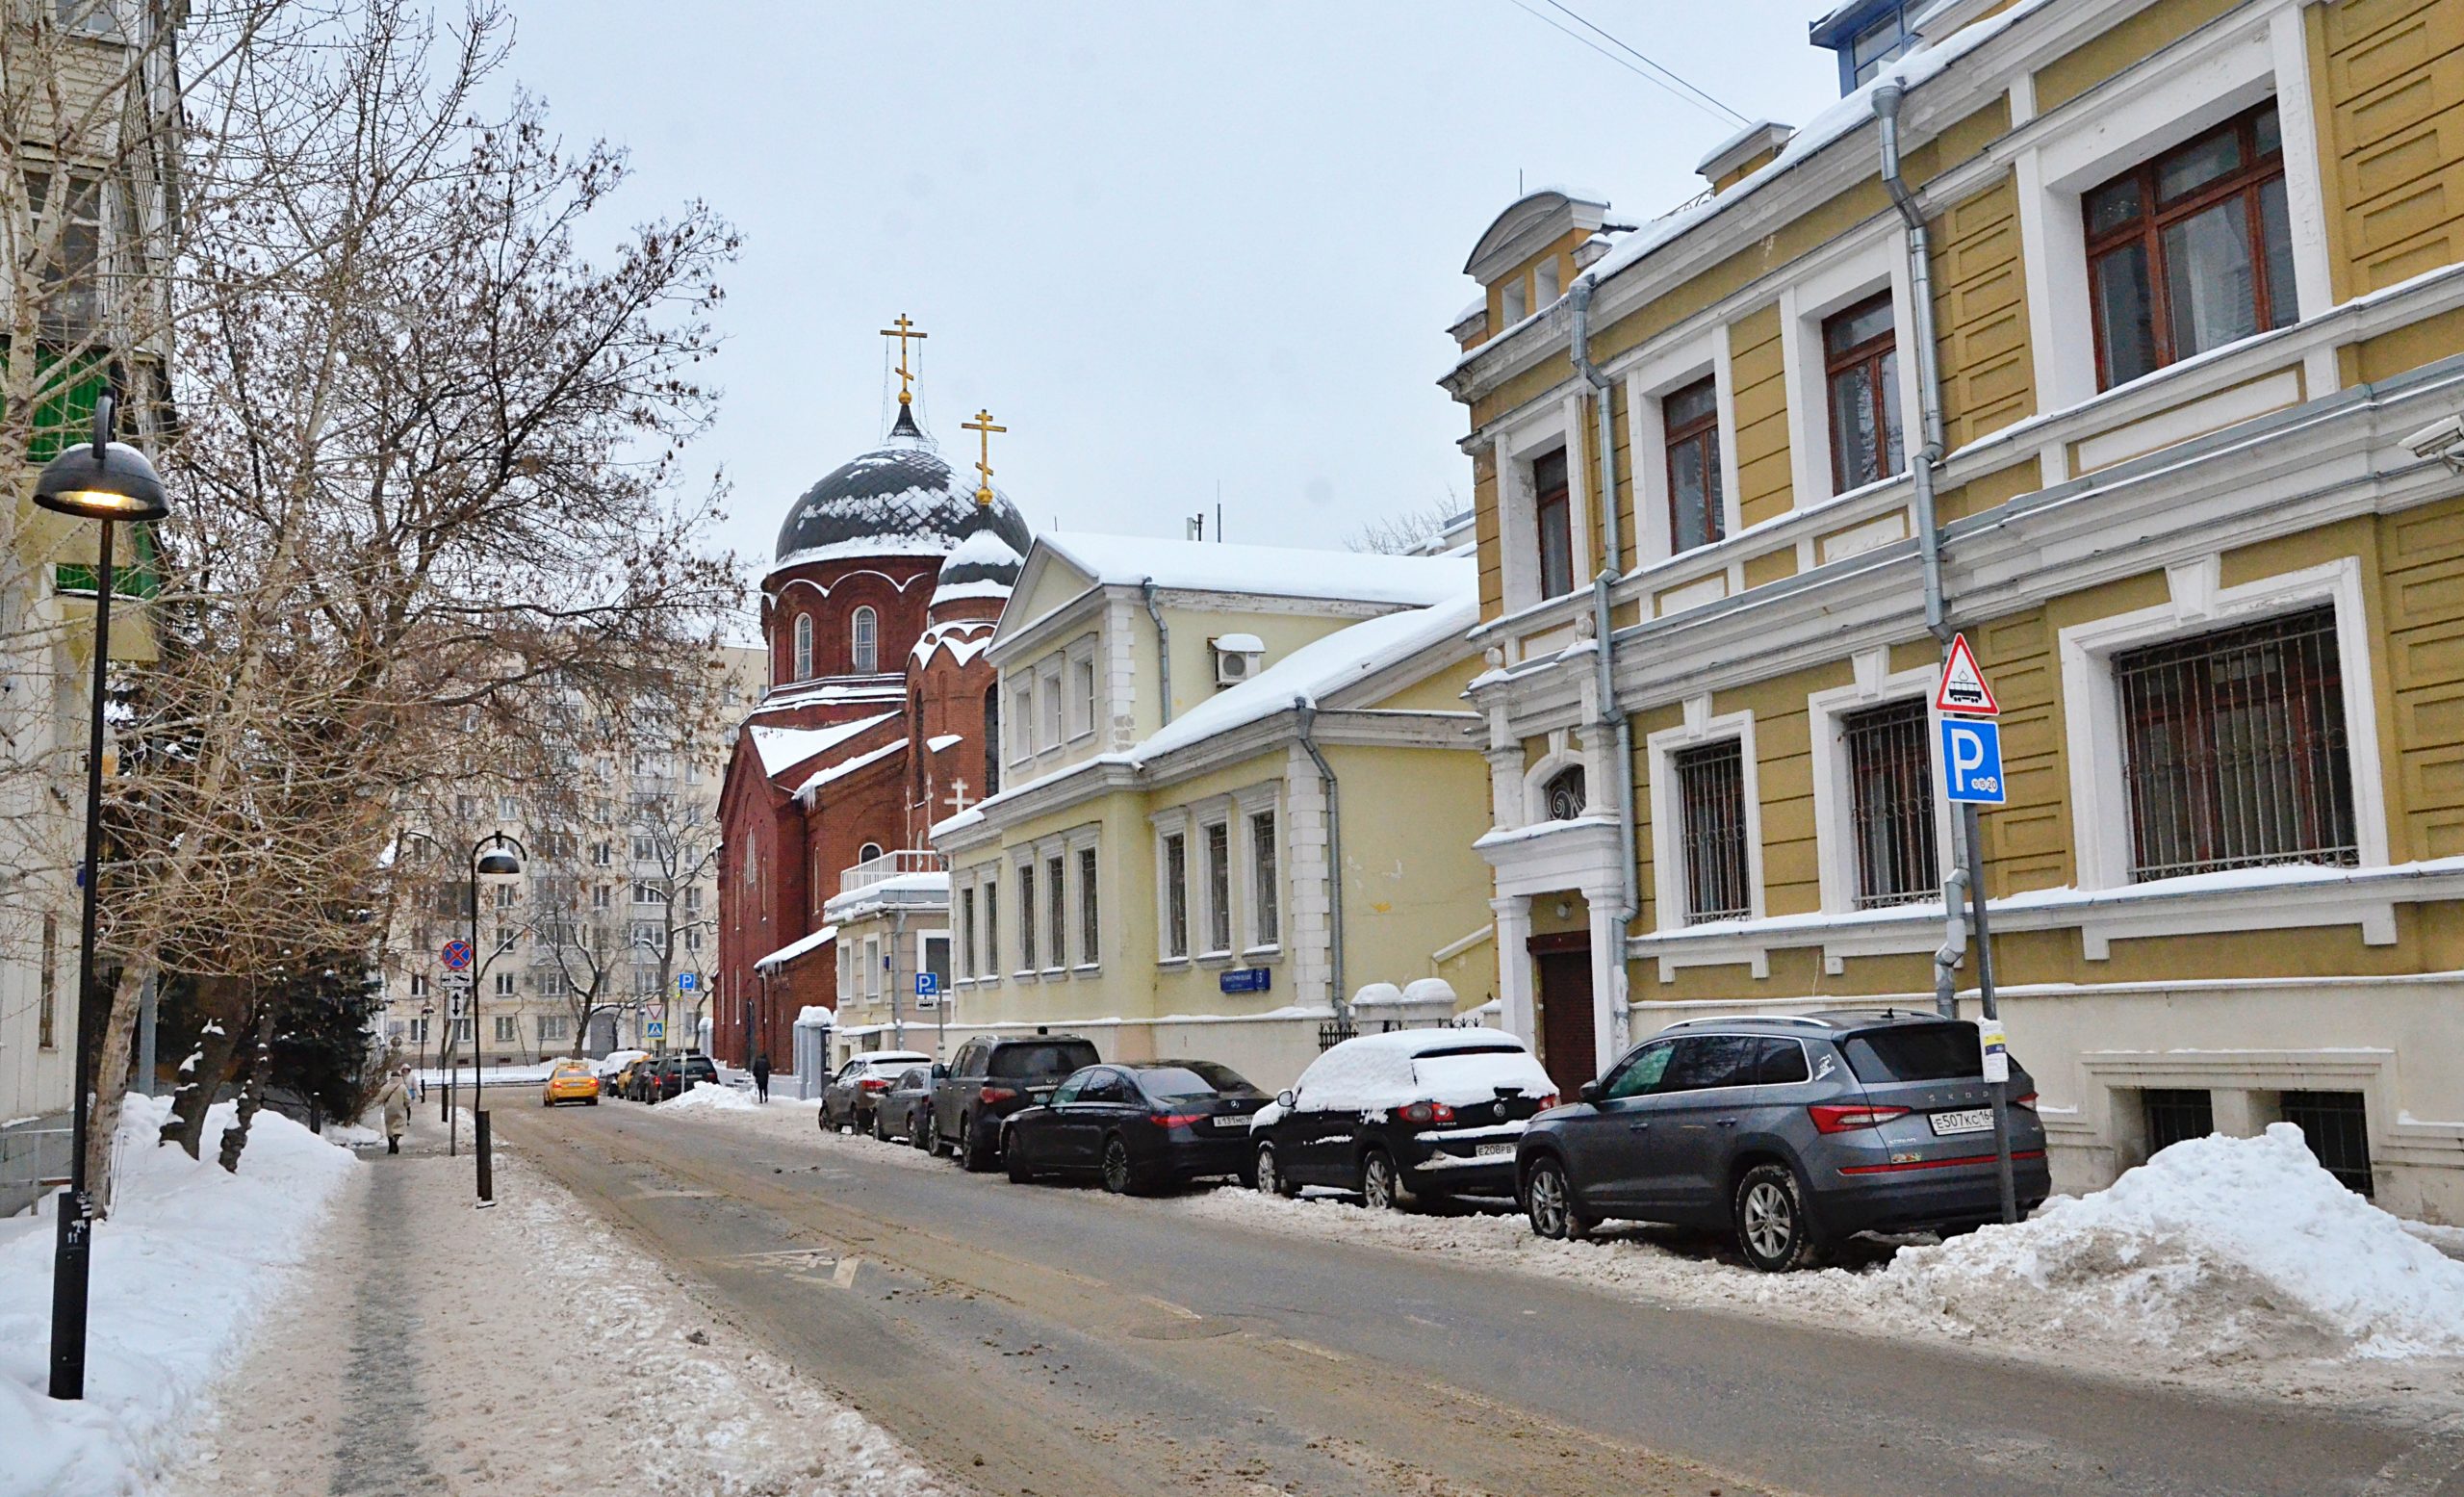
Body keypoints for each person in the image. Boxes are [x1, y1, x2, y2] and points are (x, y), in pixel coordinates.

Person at [375, 1067, 412, 1154]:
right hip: (400, 1109)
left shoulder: (386, 1087)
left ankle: (391, 1145)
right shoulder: (402, 1087)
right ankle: (396, 1140)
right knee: (399, 1126)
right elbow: (408, 1099)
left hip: (388, 1110)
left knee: (389, 1127)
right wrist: (406, 1106)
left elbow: (379, 1099)